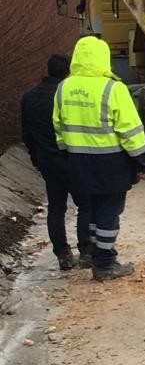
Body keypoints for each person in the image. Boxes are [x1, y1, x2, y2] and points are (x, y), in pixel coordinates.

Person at [52, 35, 145, 281]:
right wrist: (142, 160)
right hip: (110, 163)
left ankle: (98, 255)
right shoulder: (113, 88)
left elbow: (59, 125)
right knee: (109, 212)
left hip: (78, 162)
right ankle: (105, 265)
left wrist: (68, 151)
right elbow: (131, 130)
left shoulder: (64, 87)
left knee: (93, 211)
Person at [21, 53, 92, 271]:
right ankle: (86, 251)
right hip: (73, 159)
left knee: (56, 209)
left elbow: (27, 134)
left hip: (47, 162)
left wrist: (36, 159)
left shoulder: (29, 97)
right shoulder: (68, 96)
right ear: (68, 71)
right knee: (86, 205)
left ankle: (62, 255)